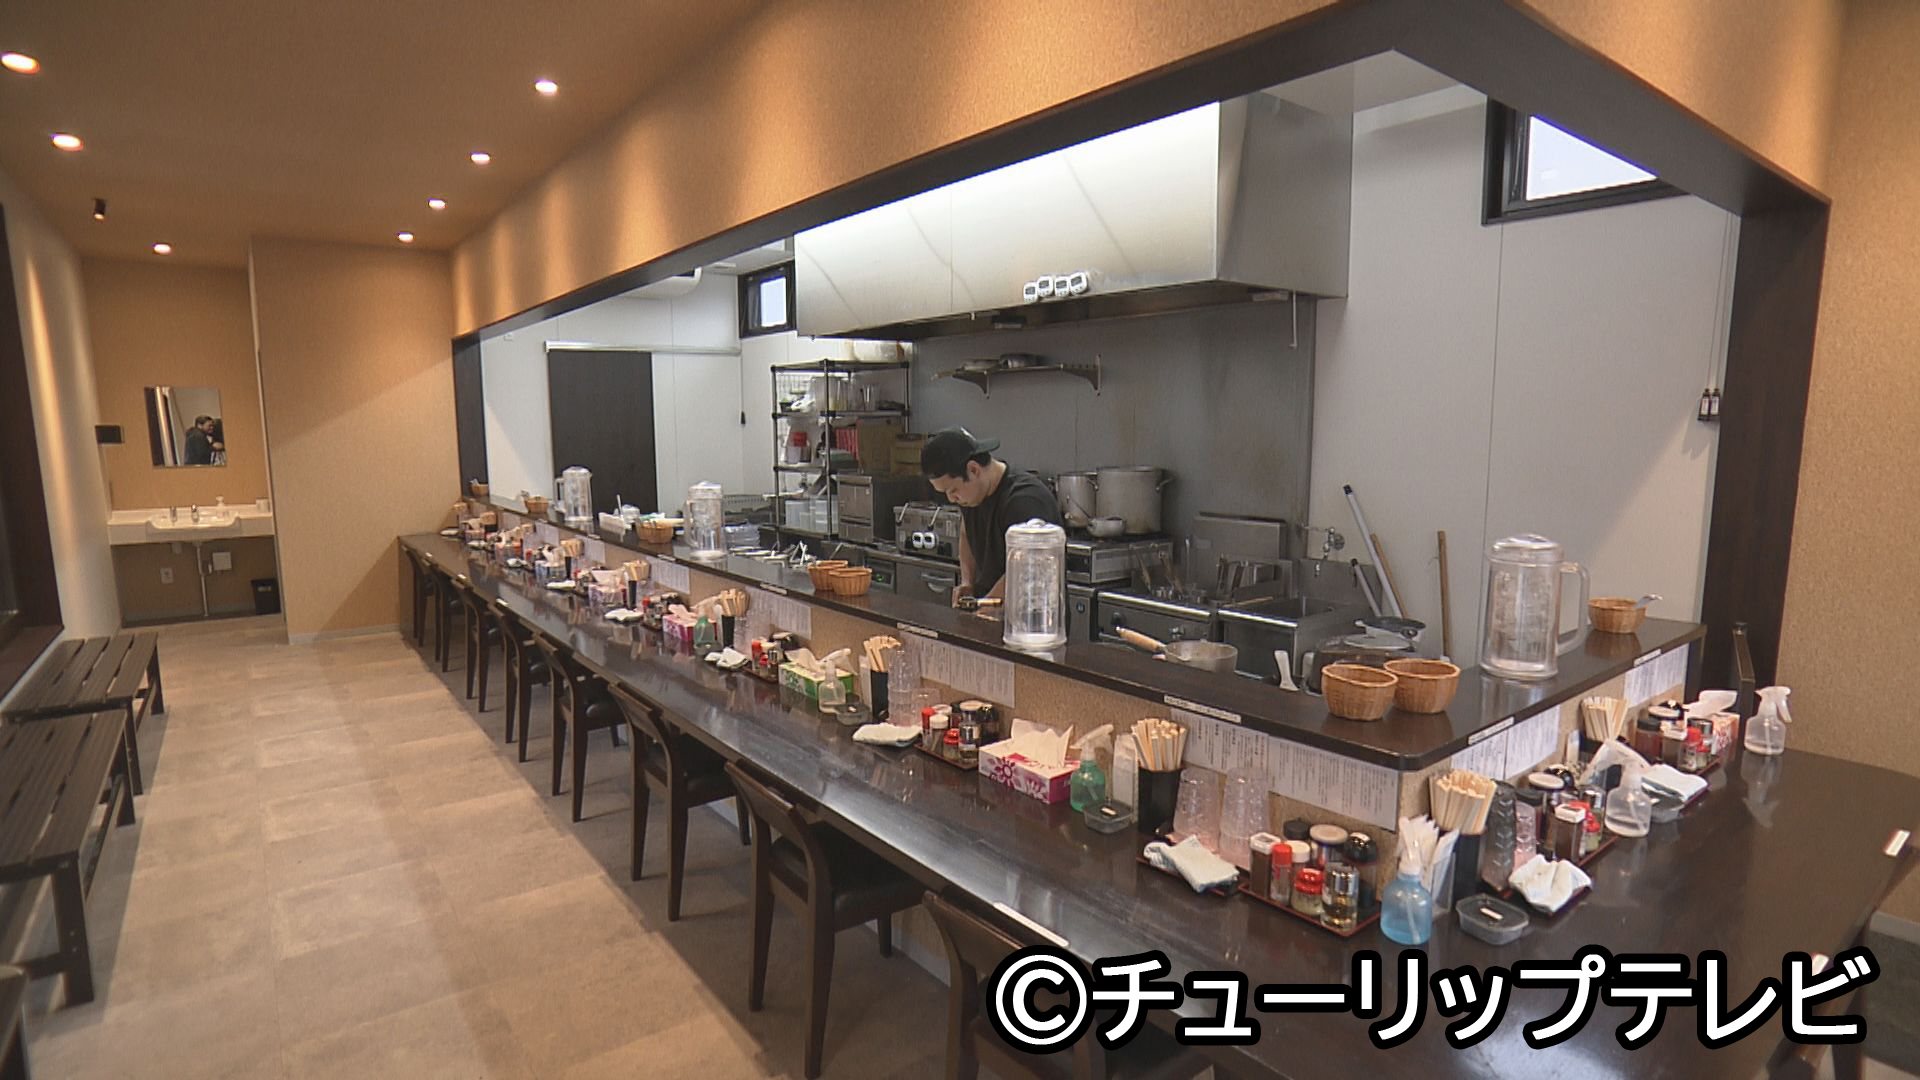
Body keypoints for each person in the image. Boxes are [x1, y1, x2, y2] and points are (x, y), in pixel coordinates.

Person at [920, 427, 1061, 604]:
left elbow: (1027, 567)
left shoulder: (1026, 500)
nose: (951, 499)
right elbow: (965, 532)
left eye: (953, 490)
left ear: (973, 470)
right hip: (989, 606)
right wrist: (967, 582)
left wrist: (988, 604)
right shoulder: (972, 496)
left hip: (1030, 613)